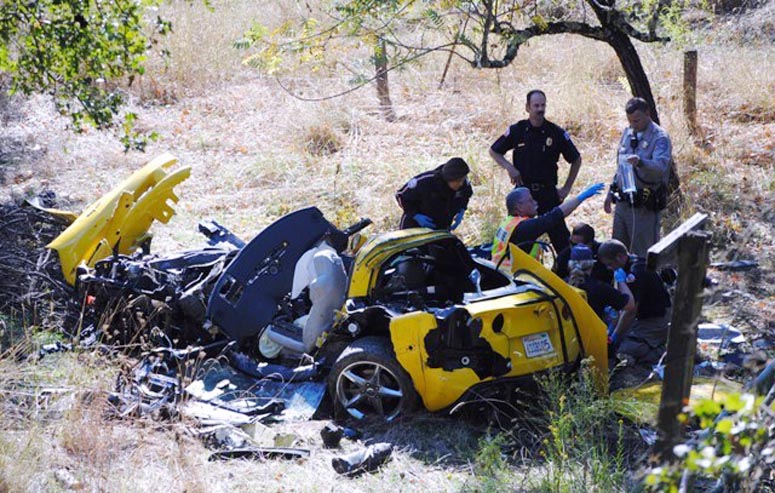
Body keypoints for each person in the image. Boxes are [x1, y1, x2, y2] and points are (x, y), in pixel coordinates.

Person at [489, 89, 583, 253]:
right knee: (518, 241)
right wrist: (510, 168)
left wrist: (566, 188)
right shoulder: (517, 130)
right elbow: (494, 151)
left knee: (561, 241)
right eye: (536, 105)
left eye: (543, 105)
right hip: (523, 196)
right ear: (527, 107)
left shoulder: (556, 133)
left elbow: (576, 160)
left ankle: (565, 273)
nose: (540, 109)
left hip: (547, 193)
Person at [604, 97, 673, 257]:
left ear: (647, 113)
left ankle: (646, 282)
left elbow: (661, 167)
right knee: (617, 252)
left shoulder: (659, 137)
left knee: (643, 255)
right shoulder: (628, 133)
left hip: (644, 206)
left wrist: (641, 163)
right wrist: (611, 191)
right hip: (623, 203)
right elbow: (621, 166)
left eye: (636, 120)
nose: (633, 125)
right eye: (630, 121)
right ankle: (620, 282)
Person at [491, 182, 604, 272]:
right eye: (530, 200)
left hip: (500, 273)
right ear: (519, 207)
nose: (536, 202)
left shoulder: (509, 223)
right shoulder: (524, 227)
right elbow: (556, 215)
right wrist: (581, 197)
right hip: (513, 277)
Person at [597, 239, 671, 366]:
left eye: (610, 264)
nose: (609, 268)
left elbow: (630, 311)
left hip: (655, 319)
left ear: (619, 257)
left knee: (623, 351)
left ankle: (659, 352)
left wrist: (615, 336)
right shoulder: (627, 266)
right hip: (641, 317)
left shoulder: (636, 272)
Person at [396, 157, 473, 230]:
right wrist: (415, 215)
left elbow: (466, 196)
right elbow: (401, 196)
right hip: (414, 227)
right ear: (449, 179)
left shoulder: (463, 185)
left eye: (463, 180)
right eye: (458, 181)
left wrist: (462, 210)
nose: (461, 184)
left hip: (440, 228)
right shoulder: (425, 182)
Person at [566, 244, 633, 324]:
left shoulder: (560, 285)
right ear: (592, 264)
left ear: (570, 264)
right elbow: (629, 305)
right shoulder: (600, 288)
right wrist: (621, 281)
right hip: (593, 333)